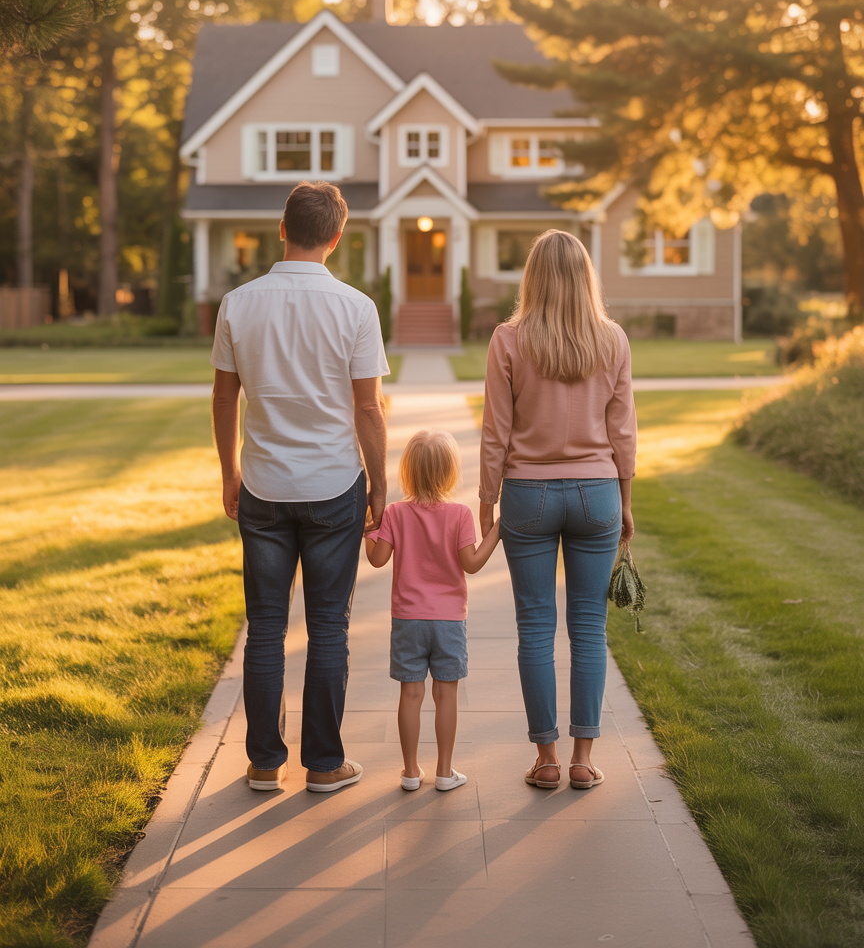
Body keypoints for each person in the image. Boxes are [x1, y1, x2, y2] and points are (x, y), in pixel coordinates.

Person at [211, 181, 389, 794]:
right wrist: (381, 486)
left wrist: (229, 473)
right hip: (335, 485)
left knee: (265, 627)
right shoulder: (356, 307)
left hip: (262, 485)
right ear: (336, 238)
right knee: (328, 629)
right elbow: (369, 409)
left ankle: (264, 763)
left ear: (281, 229)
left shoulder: (237, 302)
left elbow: (224, 395)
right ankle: (323, 765)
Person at [479, 229, 636, 790]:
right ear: (585, 278)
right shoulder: (611, 339)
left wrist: (485, 496)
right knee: (590, 630)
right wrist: (626, 500)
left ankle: (546, 758)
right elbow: (623, 432)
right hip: (598, 494)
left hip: (528, 495)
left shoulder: (509, 338)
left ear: (533, 278)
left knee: (535, 627)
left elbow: (496, 429)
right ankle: (583, 760)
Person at [365, 429, 500, 791]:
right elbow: (471, 564)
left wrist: (369, 530)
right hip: (448, 621)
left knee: (410, 694)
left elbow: (378, 560)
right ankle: (444, 771)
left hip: (407, 619)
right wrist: (497, 532)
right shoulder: (460, 515)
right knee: (446, 694)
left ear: (407, 471)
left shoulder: (394, 513)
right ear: (451, 472)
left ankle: (410, 772)